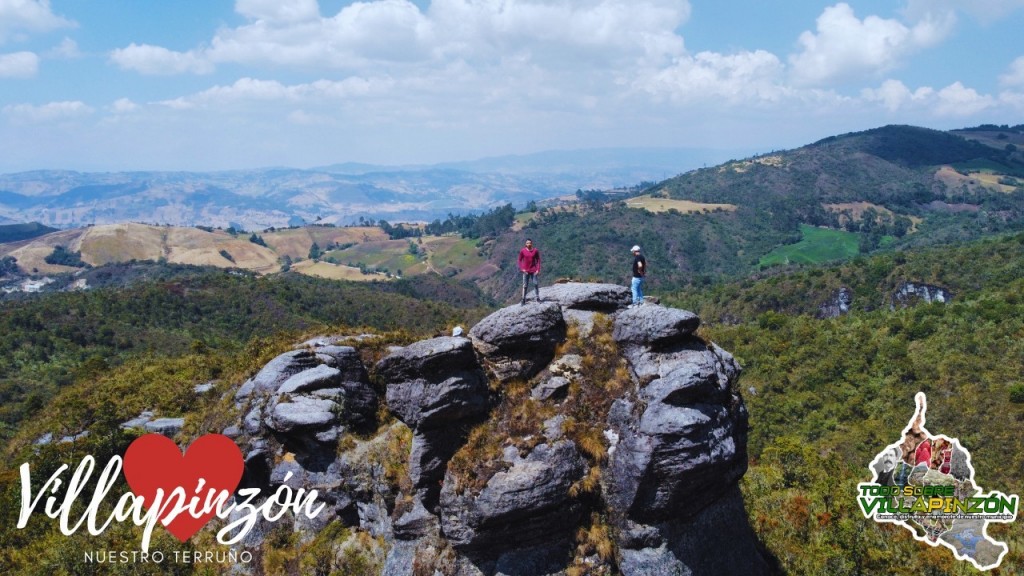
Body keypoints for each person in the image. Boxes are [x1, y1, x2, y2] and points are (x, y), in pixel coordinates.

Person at [518, 238, 541, 305]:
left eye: (530, 243)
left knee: (535, 284)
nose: (529, 244)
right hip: (526, 271)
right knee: (525, 285)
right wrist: (522, 269)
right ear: (525, 244)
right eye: (527, 243)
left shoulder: (535, 251)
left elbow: (538, 260)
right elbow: (519, 260)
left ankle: (537, 297)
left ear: (532, 243)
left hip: (533, 270)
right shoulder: (523, 251)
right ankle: (523, 299)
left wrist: (538, 269)